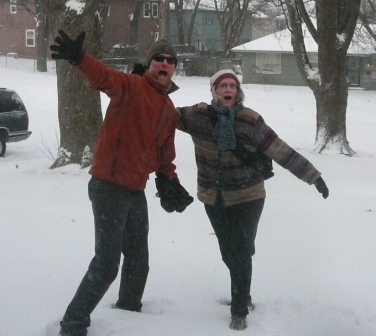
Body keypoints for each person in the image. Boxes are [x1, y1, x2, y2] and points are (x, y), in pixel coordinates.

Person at [50, 30, 193, 336]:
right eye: (159, 58)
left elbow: (165, 155)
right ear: (150, 63)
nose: (164, 63)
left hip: (135, 191)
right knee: (106, 263)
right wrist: (80, 58)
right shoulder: (130, 86)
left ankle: (129, 315)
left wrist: (170, 181)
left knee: (139, 260)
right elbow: (102, 76)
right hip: (108, 187)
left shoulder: (168, 110)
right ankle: (73, 324)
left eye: (170, 60)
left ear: (174, 68)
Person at [176, 69, 329, 331]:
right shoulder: (198, 117)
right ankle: (243, 290)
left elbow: (281, 150)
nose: (227, 90)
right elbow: (160, 112)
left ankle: (239, 310)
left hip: (248, 196)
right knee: (229, 251)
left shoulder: (250, 121)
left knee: (241, 250)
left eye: (232, 86)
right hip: (213, 197)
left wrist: (313, 176)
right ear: (213, 90)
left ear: (238, 91)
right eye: (222, 85)